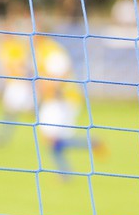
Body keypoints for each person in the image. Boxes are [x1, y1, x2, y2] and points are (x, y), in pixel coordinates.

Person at [33, 35, 105, 176]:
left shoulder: (52, 51)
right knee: (52, 139)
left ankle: (89, 146)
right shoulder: (40, 50)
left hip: (62, 100)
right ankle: (66, 171)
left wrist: (51, 91)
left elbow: (62, 73)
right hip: (53, 100)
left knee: (52, 138)